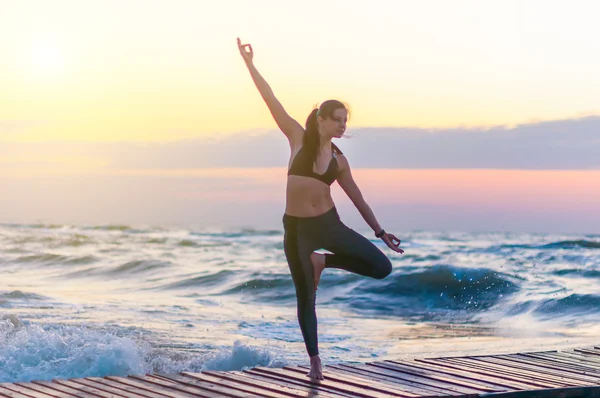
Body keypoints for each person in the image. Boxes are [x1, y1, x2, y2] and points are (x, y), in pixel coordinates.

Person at [237, 38, 404, 380]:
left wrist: (380, 232)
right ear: (322, 120)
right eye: (338, 120)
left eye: (346, 121)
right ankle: (315, 362)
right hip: (296, 230)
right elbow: (271, 100)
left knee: (382, 267)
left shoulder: (340, 162)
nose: (344, 126)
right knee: (305, 299)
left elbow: (358, 198)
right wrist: (250, 64)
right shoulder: (297, 139)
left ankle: (323, 261)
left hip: (329, 225)